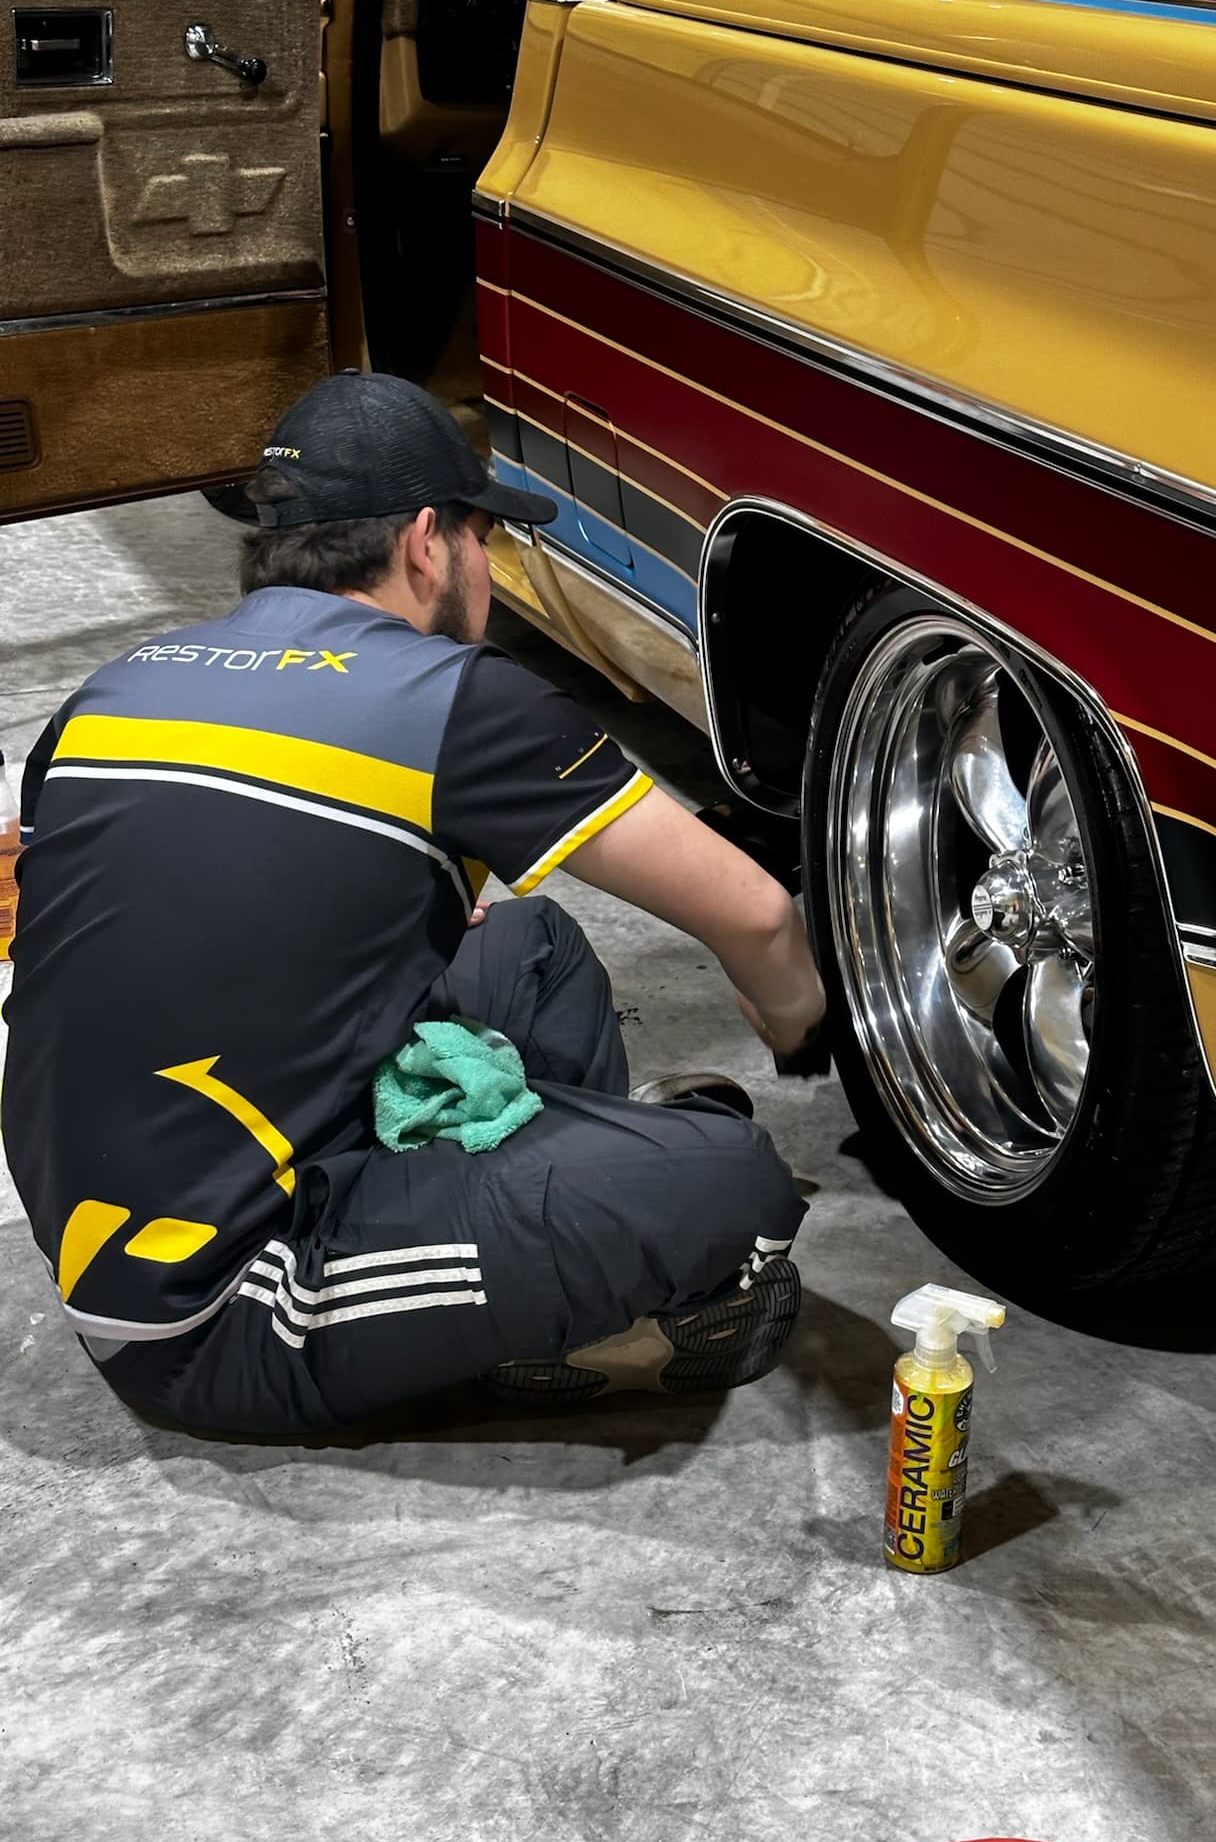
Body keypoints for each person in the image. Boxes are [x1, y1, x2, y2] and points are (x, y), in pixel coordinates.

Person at [1, 372, 826, 1436]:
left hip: (114, 1192)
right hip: (212, 1306)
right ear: (428, 543)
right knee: (730, 1182)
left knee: (528, 944)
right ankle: (546, 1300)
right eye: (487, 541)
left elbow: (134, 903)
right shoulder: (452, 701)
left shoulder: (110, 688)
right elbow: (756, 918)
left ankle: (534, 1208)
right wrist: (800, 1023)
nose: (488, 570)